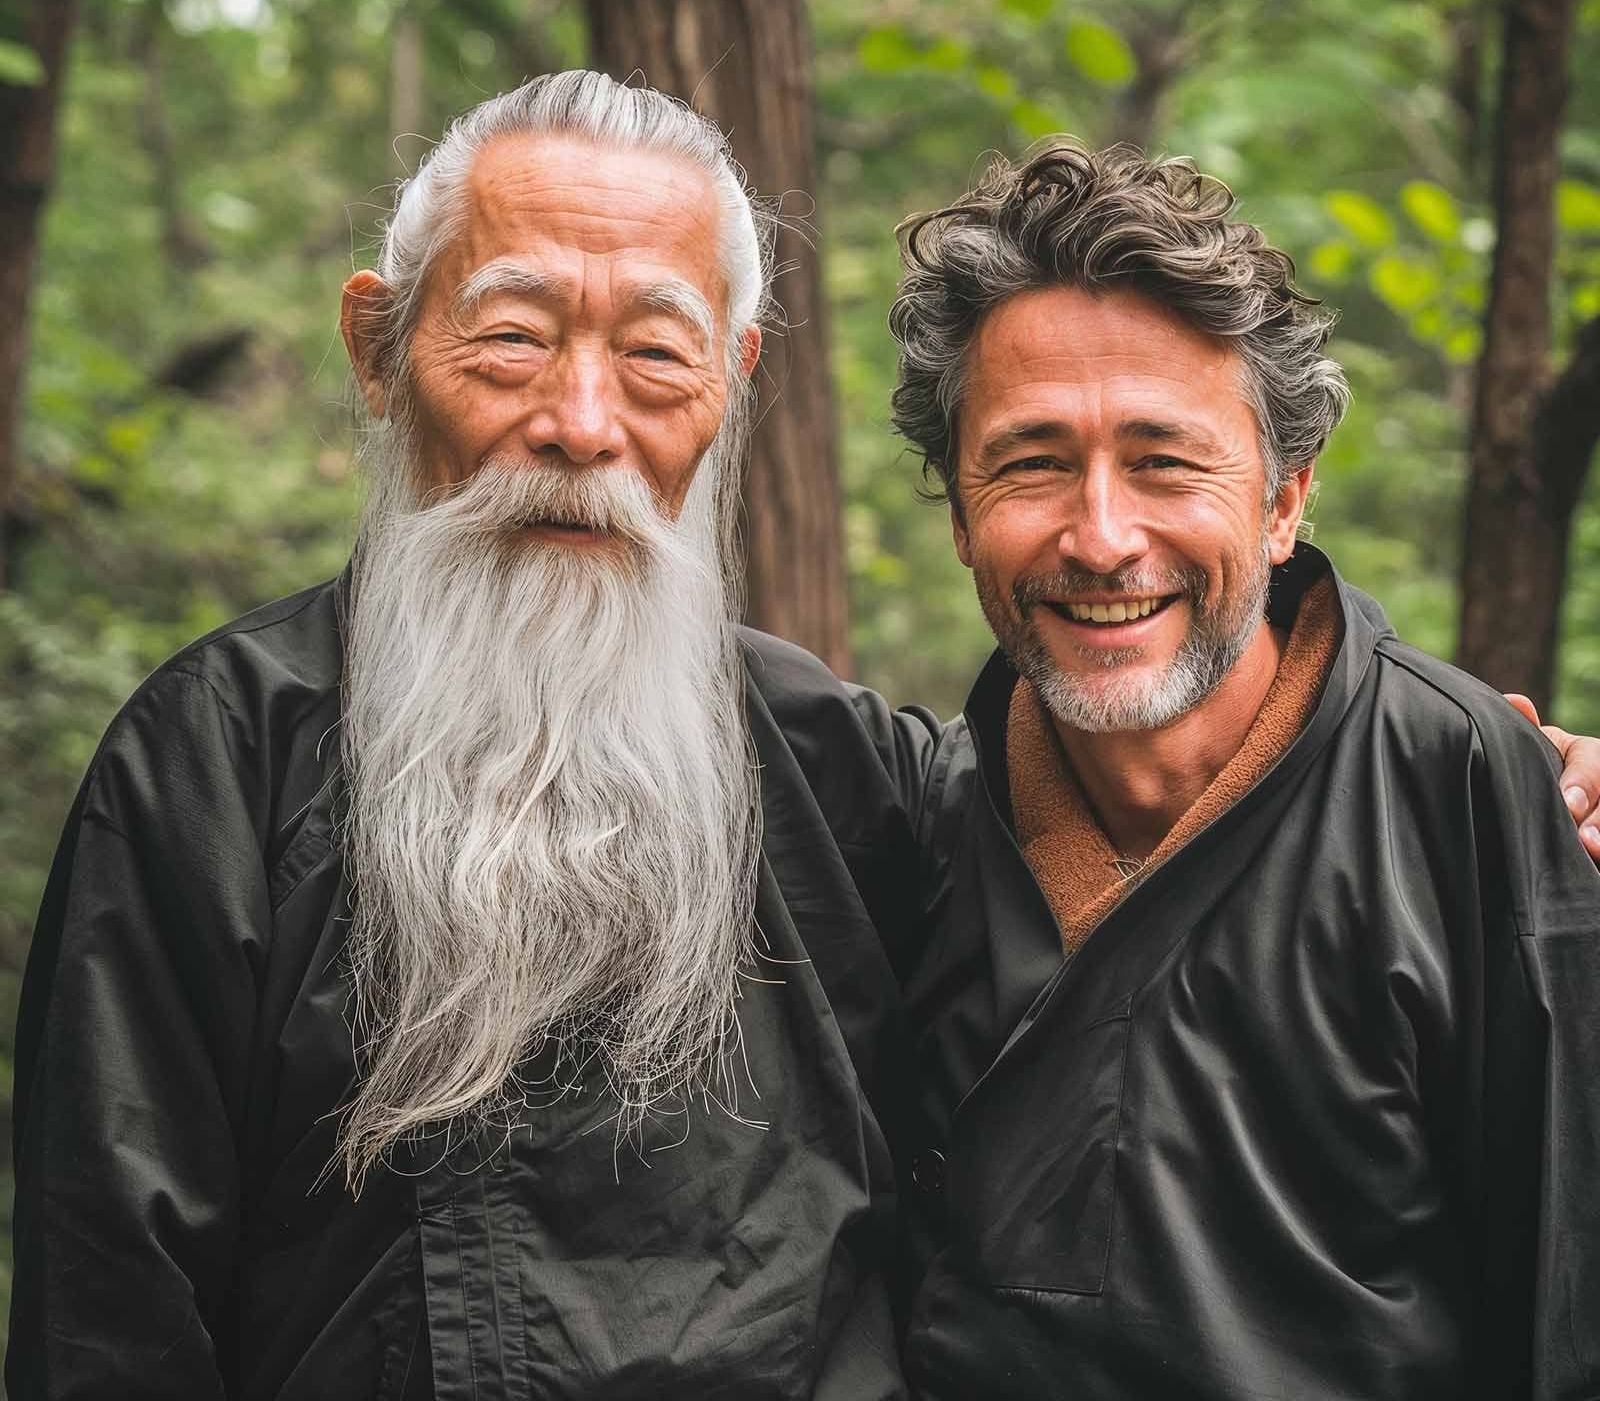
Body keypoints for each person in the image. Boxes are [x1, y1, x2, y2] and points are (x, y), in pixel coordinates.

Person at [8, 72, 928, 1399]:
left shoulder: (838, 767)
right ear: (378, 351)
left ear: (733, 381)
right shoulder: (218, 757)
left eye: (658, 354)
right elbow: (106, 1319)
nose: (583, 424)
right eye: (512, 340)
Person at [881, 141, 1600, 1398]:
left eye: (1164, 460)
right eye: (1032, 461)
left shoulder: (1459, 787)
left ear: (1283, 500)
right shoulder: (916, 824)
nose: (1101, 537)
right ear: (958, 513)